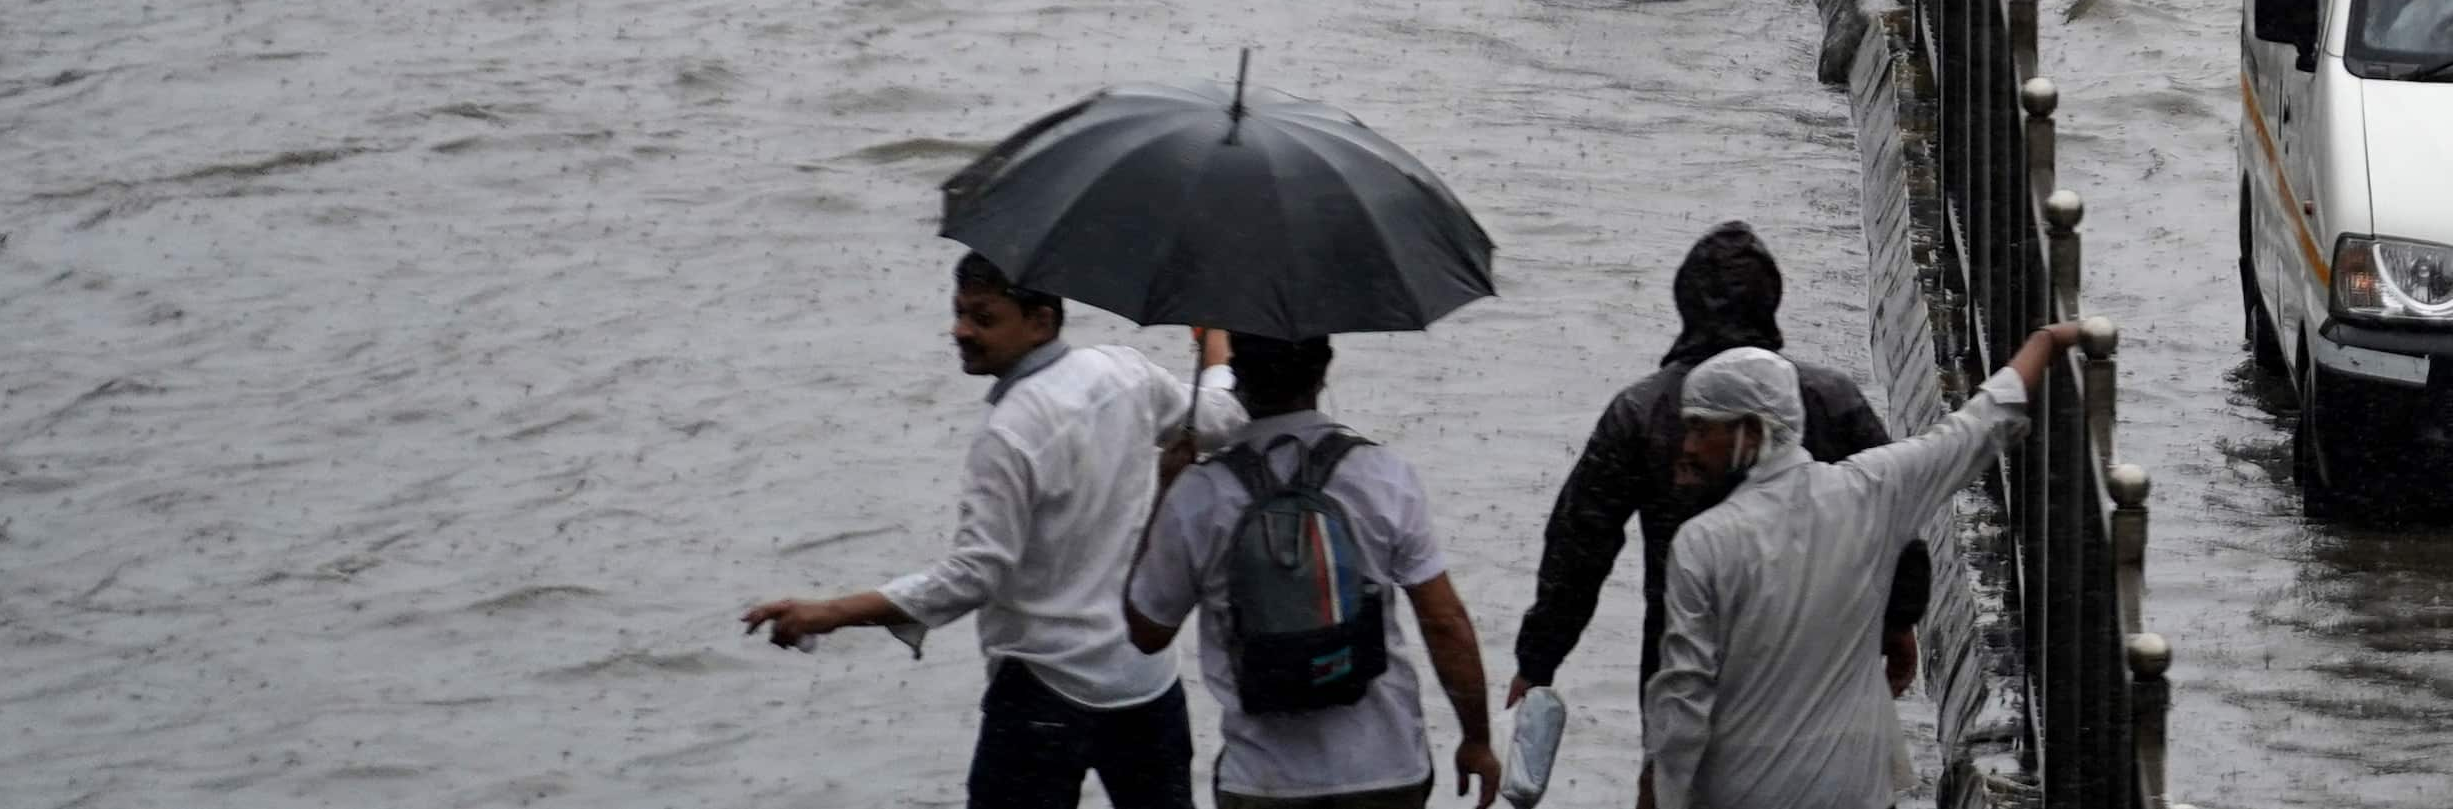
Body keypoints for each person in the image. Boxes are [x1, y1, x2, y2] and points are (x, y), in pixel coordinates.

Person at [741, 260, 1235, 807]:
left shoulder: (1010, 432)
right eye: (958, 314)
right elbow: (1220, 418)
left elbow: (975, 575)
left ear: (1041, 322)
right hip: (1143, 681)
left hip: (1045, 689)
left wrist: (831, 612)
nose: (961, 331)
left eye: (983, 318)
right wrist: (1215, 342)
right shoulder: (1125, 372)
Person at [1511, 226, 1922, 738]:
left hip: (1681, 656)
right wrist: (1900, 619)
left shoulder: (1641, 413)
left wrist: (1538, 660)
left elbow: (1579, 547)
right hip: (1817, 653)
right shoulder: (1828, 398)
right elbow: (1893, 511)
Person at [1643, 327, 2070, 809]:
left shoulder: (1702, 544)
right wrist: (2046, 343)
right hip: (1854, 790)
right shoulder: (1869, 492)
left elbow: (1684, 701)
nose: (1689, 447)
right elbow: (1978, 427)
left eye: (1702, 429)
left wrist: (1658, 791)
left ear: (1752, 431)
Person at [1122, 334, 1500, 809]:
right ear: (1324, 371)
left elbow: (1146, 631)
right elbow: (1445, 623)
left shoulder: (1201, 493)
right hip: (1384, 770)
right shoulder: (1381, 474)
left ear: (1237, 376)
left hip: (1263, 781)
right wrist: (1477, 739)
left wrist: (1166, 489)